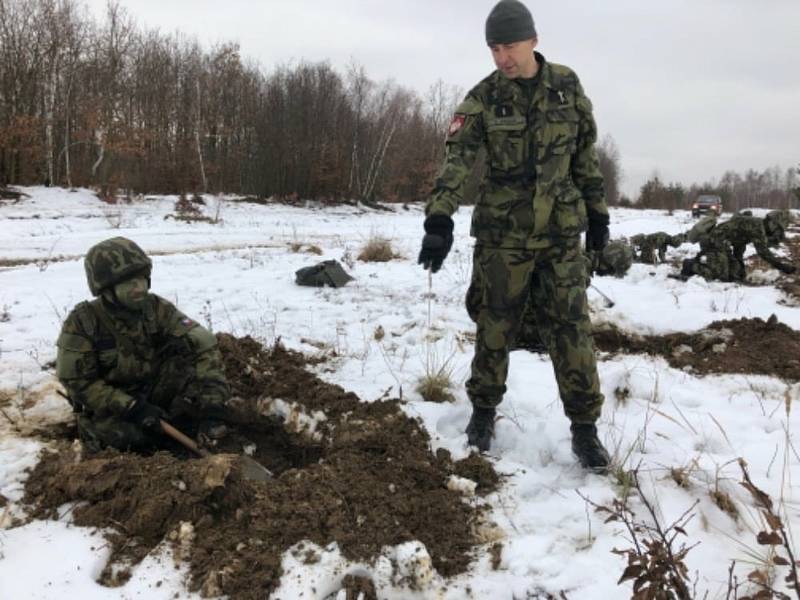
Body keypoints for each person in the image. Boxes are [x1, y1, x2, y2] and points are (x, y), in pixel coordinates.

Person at [417, 0, 611, 471]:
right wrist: (439, 219)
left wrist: (598, 214)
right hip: (503, 238)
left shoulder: (567, 87)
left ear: (533, 41)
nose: (502, 56)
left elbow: (585, 156)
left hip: (561, 235)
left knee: (571, 329)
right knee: (494, 325)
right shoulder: (483, 97)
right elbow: (457, 161)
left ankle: (585, 430)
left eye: (510, 45)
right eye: (494, 47)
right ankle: (483, 413)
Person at [56, 237, 231, 452]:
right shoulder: (83, 323)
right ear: (107, 289)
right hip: (112, 406)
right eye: (129, 283)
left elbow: (202, 343)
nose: (139, 288)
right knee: (134, 440)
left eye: (142, 279)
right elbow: (77, 382)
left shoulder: (156, 308)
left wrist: (213, 406)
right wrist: (132, 408)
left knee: (187, 373)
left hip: (152, 392)